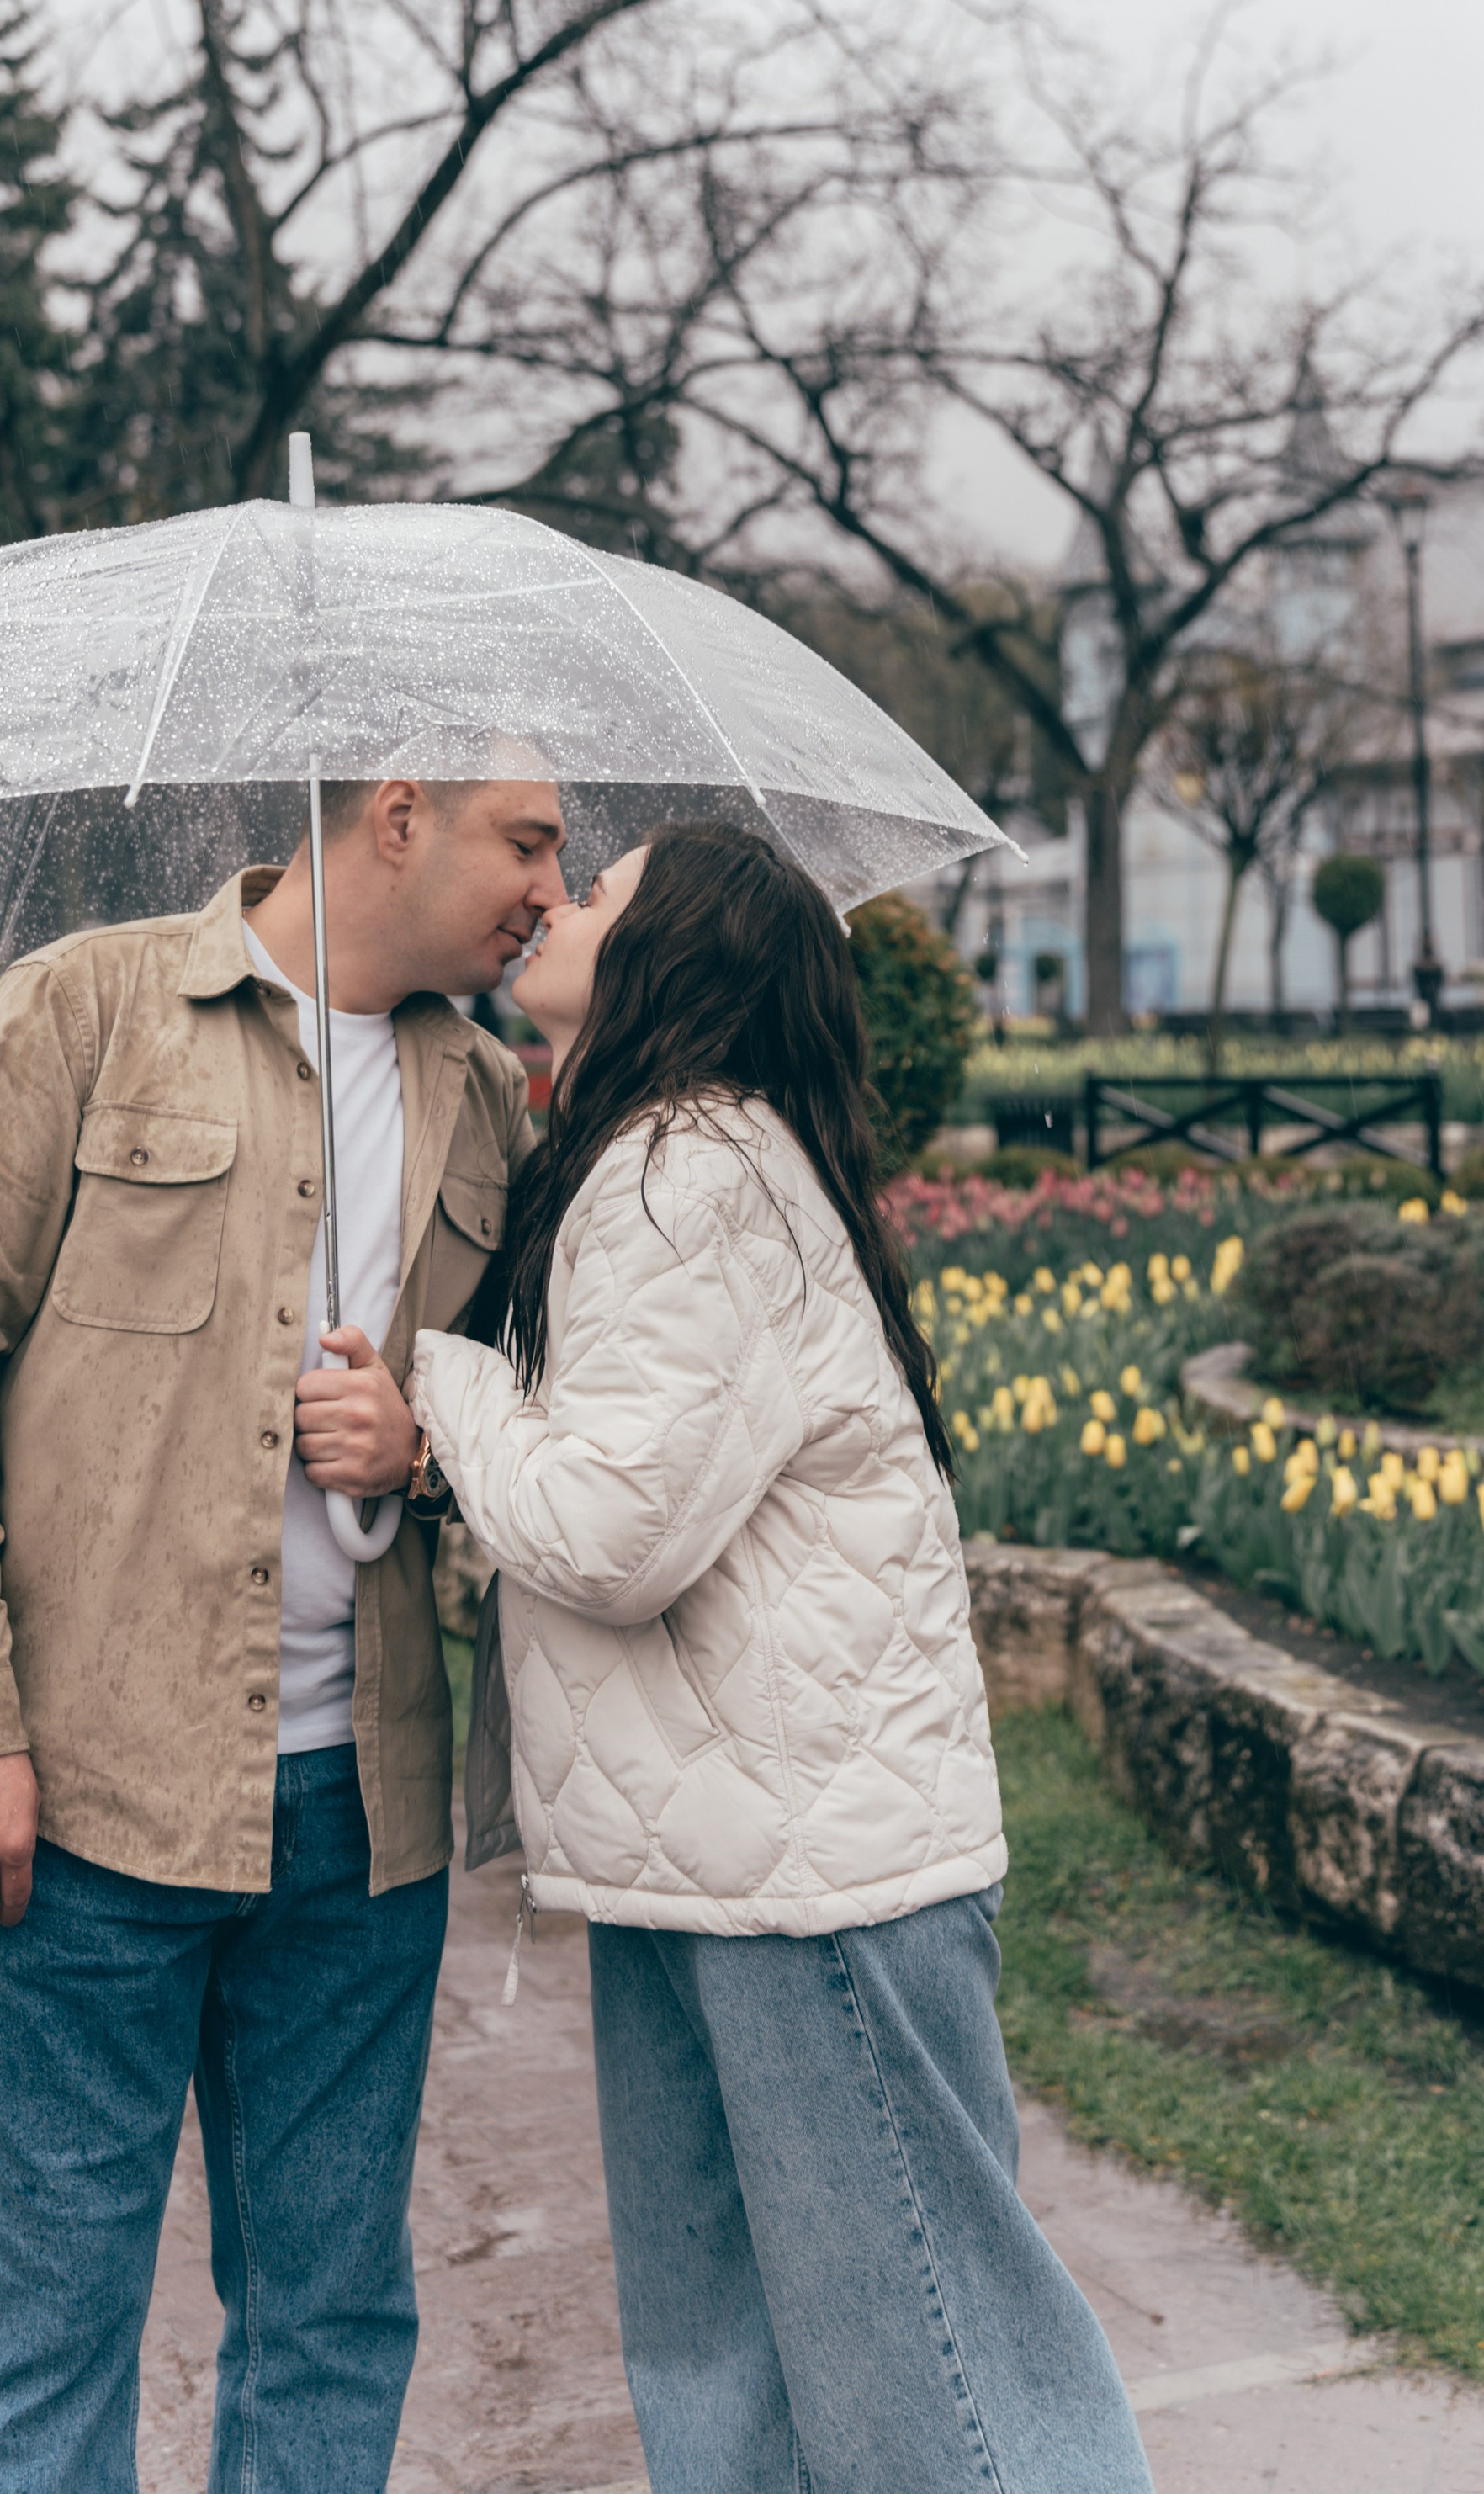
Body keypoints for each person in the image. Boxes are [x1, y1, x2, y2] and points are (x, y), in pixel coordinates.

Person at [410, 822, 1154, 2494]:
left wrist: (436, 1388)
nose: (556, 894)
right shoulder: (654, 1158)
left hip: (810, 1878)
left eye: (595, 887)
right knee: (720, 2357)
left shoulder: (692, 1173)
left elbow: (612, 1534)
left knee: (933, 2374)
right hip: (712, 1861)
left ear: (675, 951)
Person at [0, 778, 565, 2493]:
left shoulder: (481, 1096)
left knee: (329, 2319)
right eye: (526, 840)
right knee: (49, 2332)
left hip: (357, 1825)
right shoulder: (83, 1011)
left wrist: (427, 1450)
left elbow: (530, 1423)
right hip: (77, 1803)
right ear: (399, 815)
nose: (550, 883)